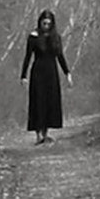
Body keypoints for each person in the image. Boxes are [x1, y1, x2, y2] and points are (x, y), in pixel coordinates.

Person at [20, 10, 72, 144]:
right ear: (40, 22)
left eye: (49, 24)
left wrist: (67, 73)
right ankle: (38, 134)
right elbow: (28, 56)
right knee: (38, 101)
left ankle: (46, 133)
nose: (46, 26)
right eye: (44, 23)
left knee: (50, 101)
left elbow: (60, 56)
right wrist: (23, 75)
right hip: (38, 72)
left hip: (51, 73)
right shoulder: (33, 36)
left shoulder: (56, 37)